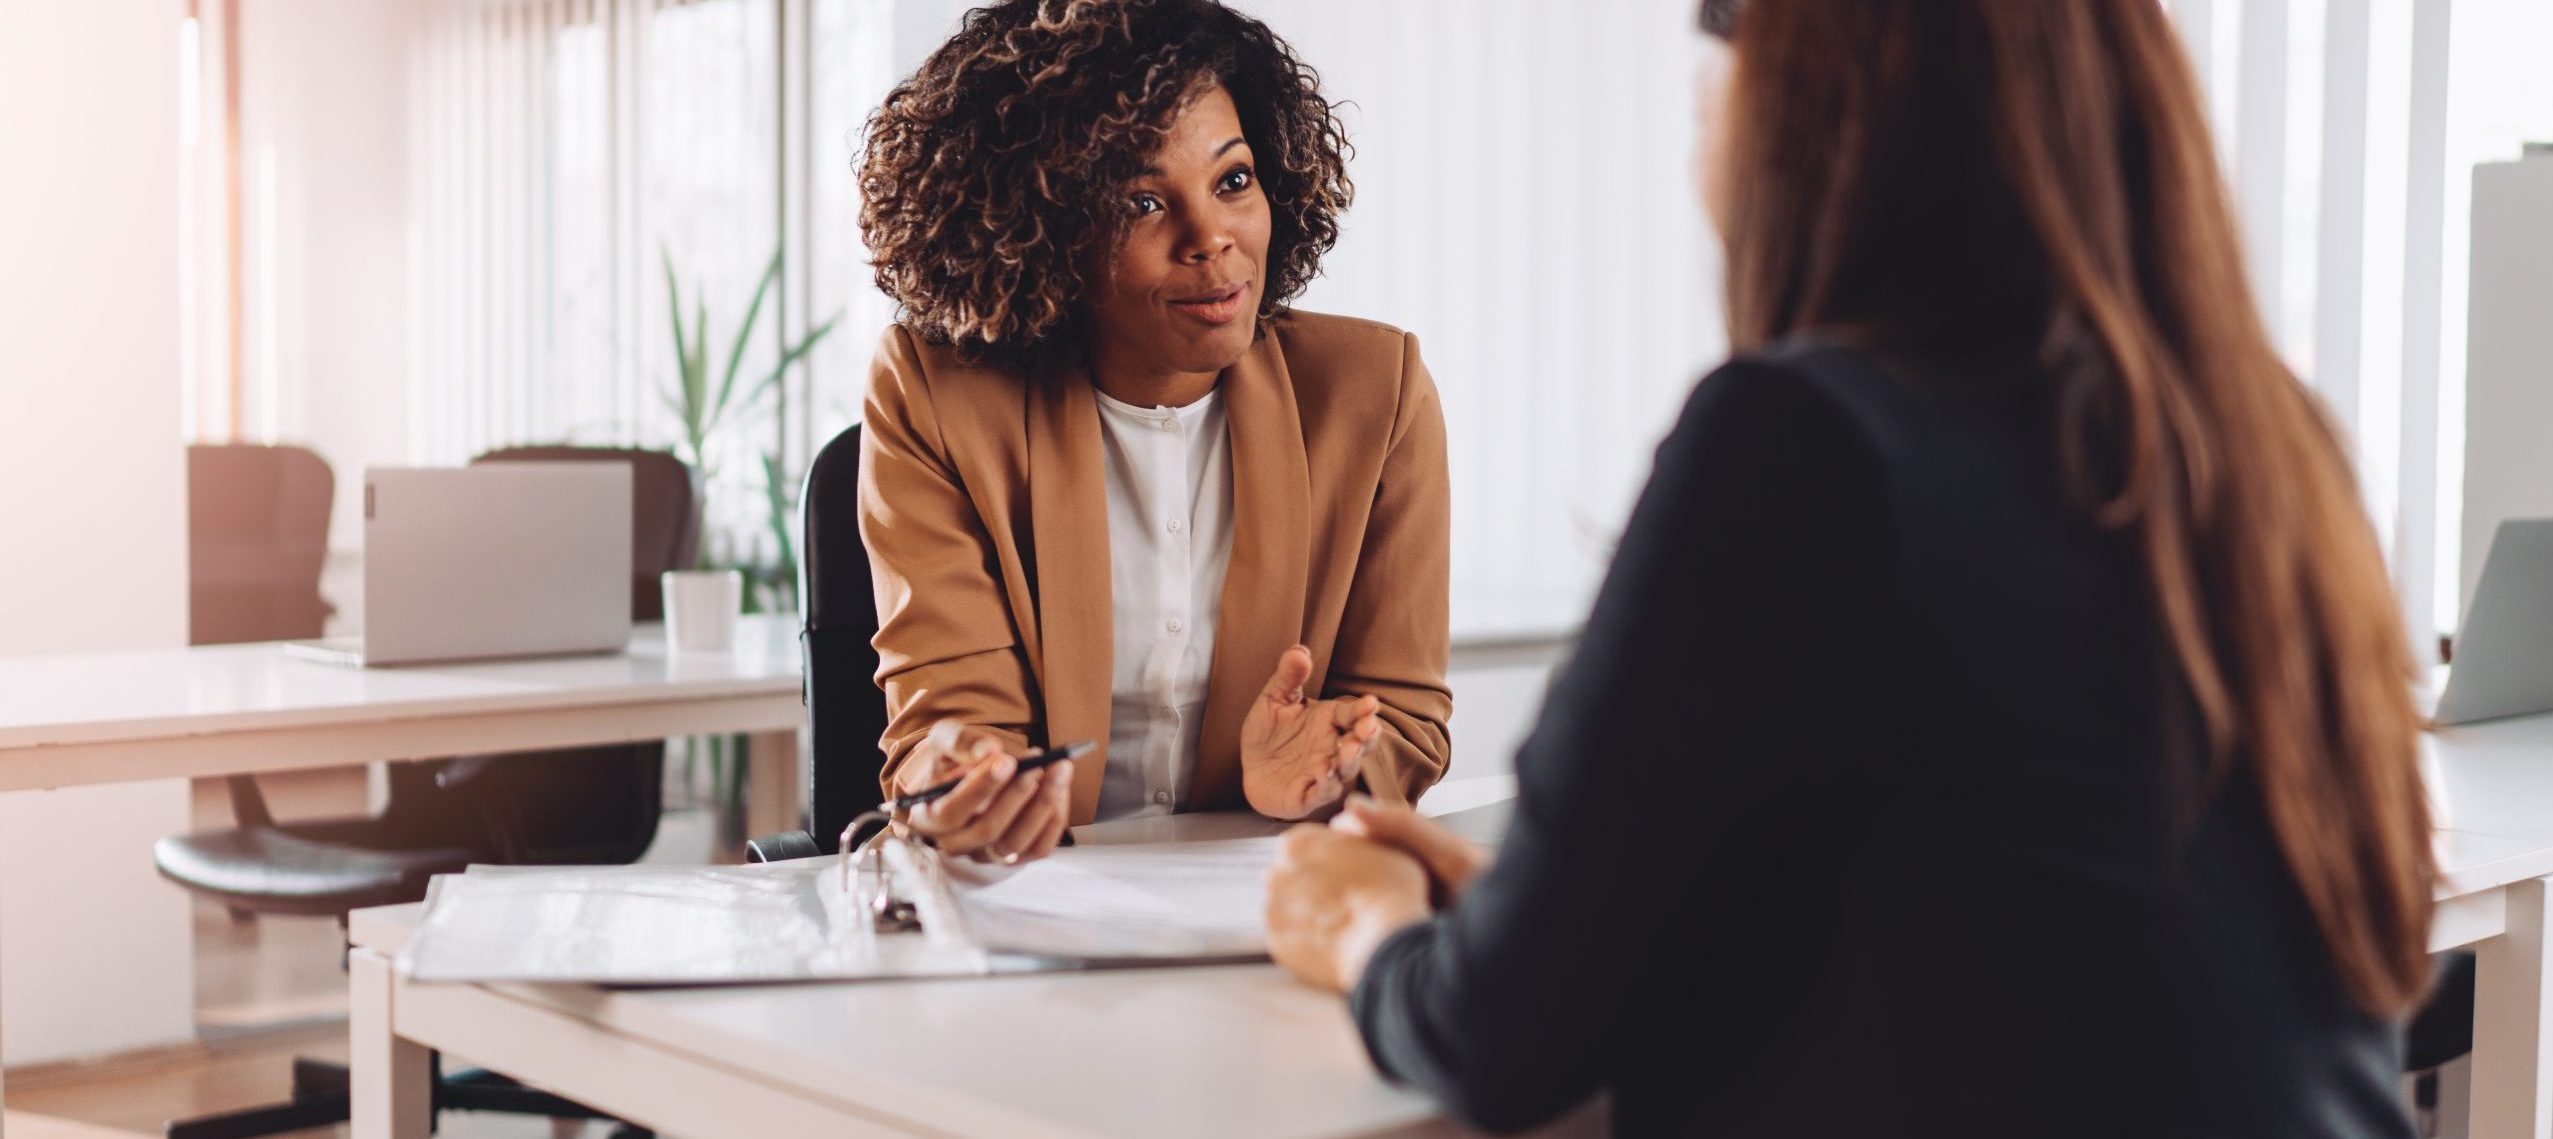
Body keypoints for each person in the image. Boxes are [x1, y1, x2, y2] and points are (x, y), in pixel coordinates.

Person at [1264, 1, 2435, 1135]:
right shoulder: (2275, 449)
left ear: (1799, 101)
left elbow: (1501, 1036)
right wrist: (1530, 909)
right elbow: (1986, 920)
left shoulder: (1805, 444)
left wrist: (1369, 930)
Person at [853, 0, 1452, 865]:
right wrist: (966, 776)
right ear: (1047, 231)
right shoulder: (936, 392)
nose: (1210, 237)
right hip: (1033, 906)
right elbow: (945, 718)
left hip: (1260, 914)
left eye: (1233, 180)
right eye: (1141, 200)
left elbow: (1403, 714)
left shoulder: (1374, 394)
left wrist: (1331, 769)